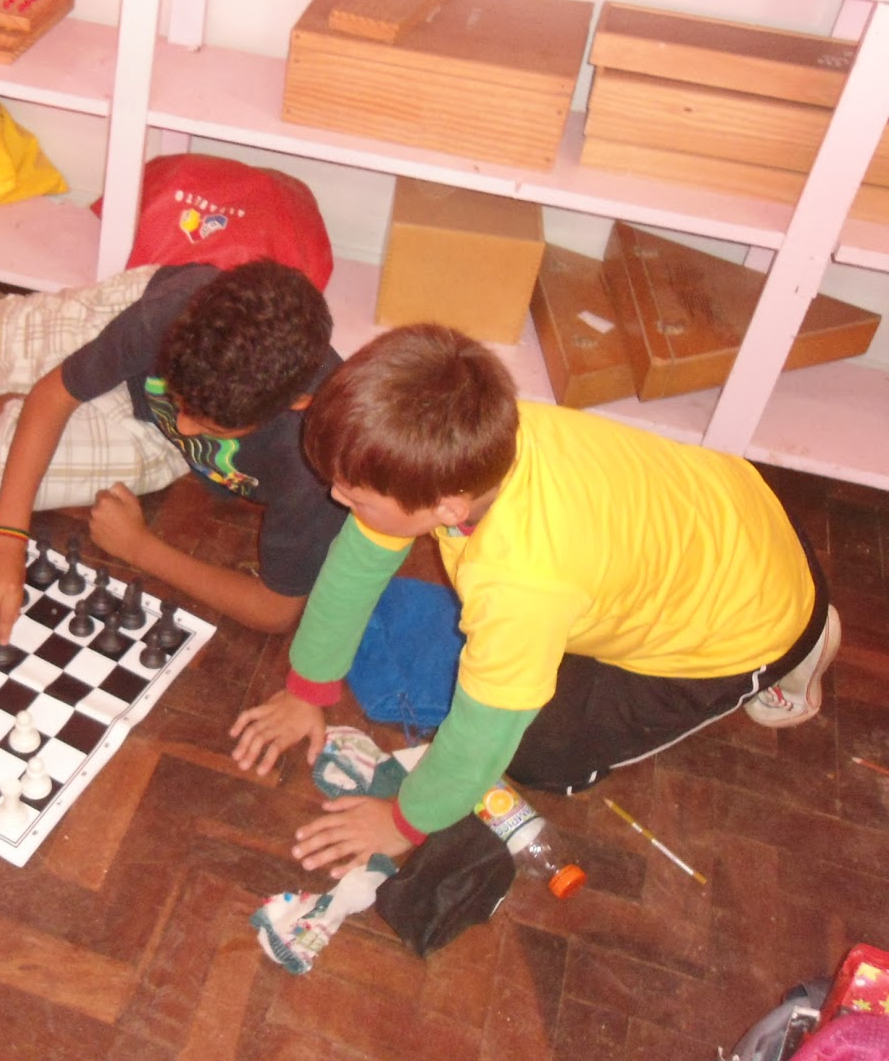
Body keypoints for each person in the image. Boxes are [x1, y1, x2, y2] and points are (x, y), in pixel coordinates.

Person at [230, 323, 839, 878]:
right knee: (514, 669)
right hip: (737, 510)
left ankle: (799, 655)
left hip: (753, 622)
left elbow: (480, 739)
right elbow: (357, 563)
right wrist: (307, 688)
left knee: (539, 753)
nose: (336, 500)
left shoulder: (518, 587)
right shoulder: (478, 437)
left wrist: (403, 822)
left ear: (447, 508)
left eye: (354, 496)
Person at [0, 259, 348, 641]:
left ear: (296, 403)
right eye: (182, 401)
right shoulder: (172, 313)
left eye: (211, 425)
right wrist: (6, 536)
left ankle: (16, 384)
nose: (186, 425)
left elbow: (275, 610)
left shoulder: (321, 458)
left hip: (159, 438)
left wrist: (140, 548)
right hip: (126, 340)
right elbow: (55, 395)